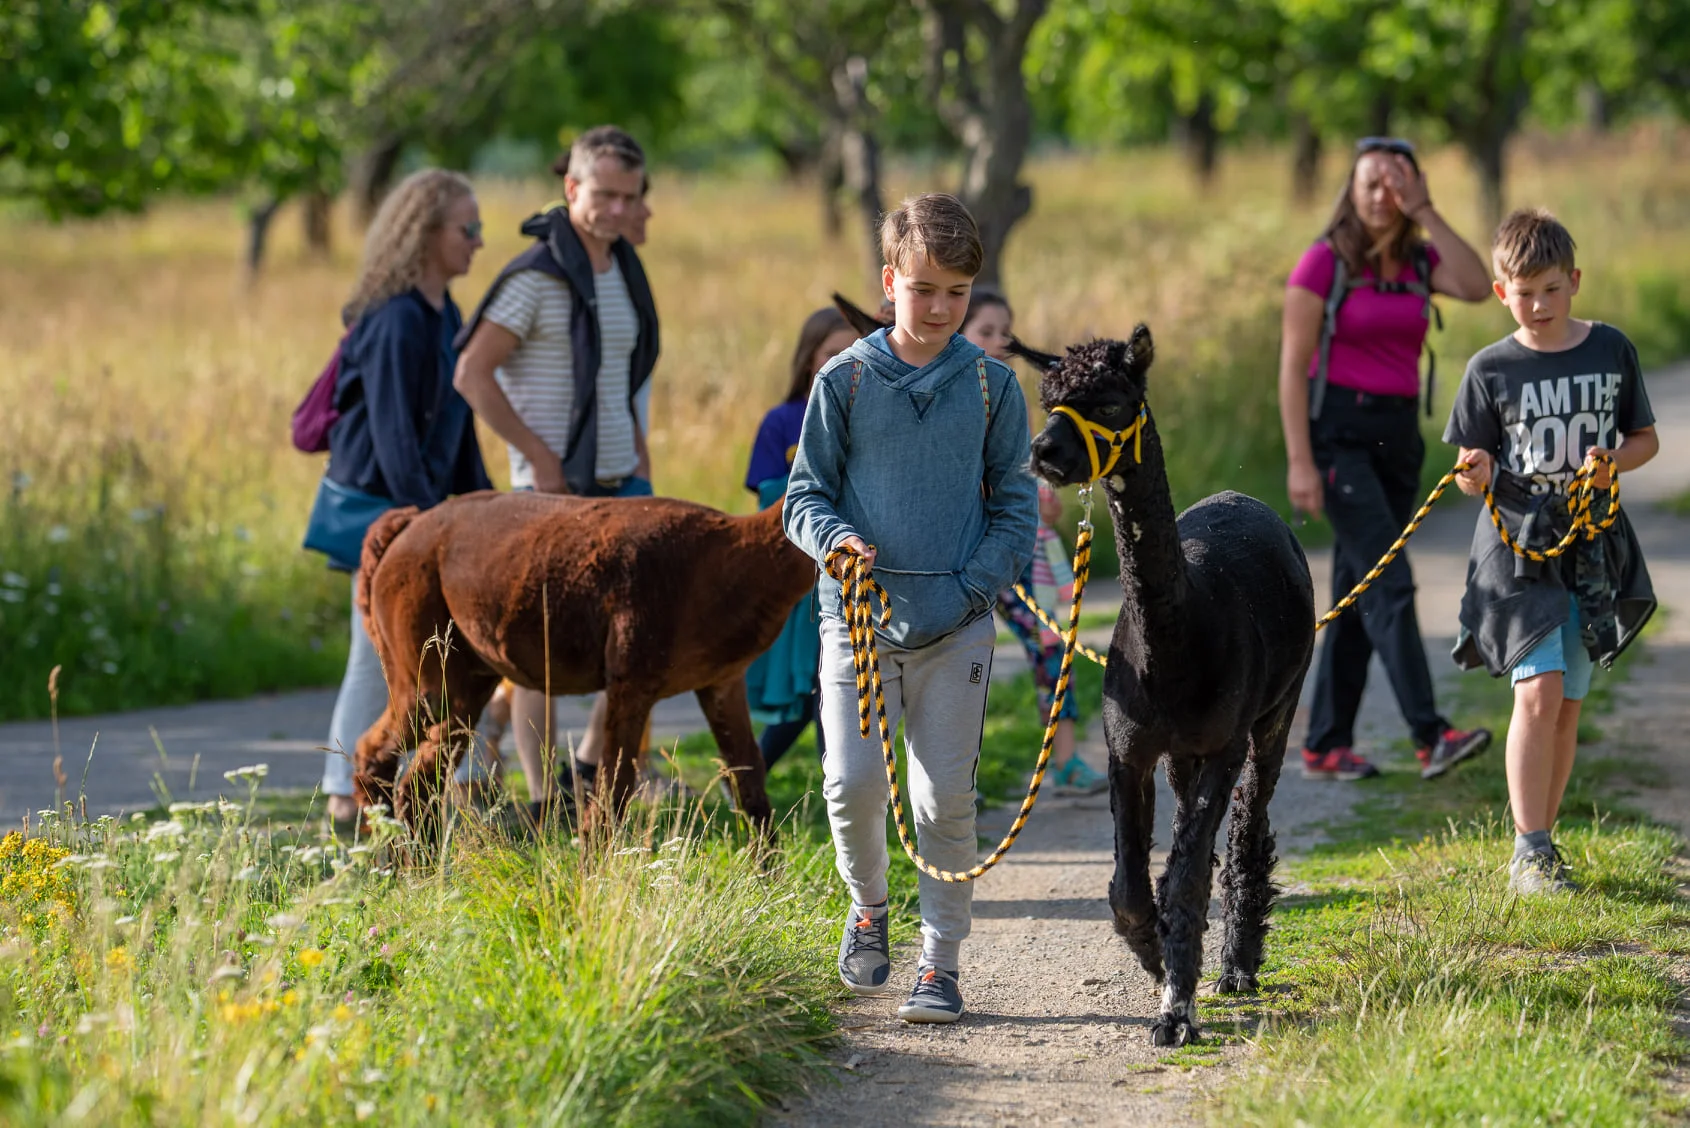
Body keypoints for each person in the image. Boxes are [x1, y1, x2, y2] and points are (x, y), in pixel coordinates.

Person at [785, 193, 1038, 1024]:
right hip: (854, 620)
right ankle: (868, 906)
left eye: (957, 293)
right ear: (888, 281)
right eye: (923, 289)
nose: (939, 309)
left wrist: (974, 587)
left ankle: (941, 961)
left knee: (941, 800)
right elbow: (802, 497)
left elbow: (1014, 507)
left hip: (955, 623)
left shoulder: (994, 388)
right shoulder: (846, 379)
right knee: (850, 783)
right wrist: (836, 542)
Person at [1445, 208, 1658, 894]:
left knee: (1567, 701)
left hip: (1589, 547)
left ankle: (1543, 840)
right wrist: (1474, 473)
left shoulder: (1612, 350)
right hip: (1516, 550)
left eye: (1551, 288)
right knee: (1537, 690)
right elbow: (1470, 461)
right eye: (1523, 291)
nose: (1538, 305)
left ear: (1574, 280)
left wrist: (1613, 464)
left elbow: (1644, 440)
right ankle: (1527, 851)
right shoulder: (1490, 368)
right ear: (1502, 291)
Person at [453, 126, 660, 813]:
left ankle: (586, 768)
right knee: (537, 654)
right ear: (572, 189)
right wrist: (537, 456)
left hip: (620, 482)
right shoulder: (534, 277)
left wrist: (639, 447)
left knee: (643, 642)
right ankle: (546, 801)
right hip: (548, 494)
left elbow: (620, 378)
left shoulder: (624, 272)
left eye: (627, 196)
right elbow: (472, 375)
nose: (616, 208)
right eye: (603, 194)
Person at [1278, 136, 1495, 782]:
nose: (1381, 196)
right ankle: (1431, 736)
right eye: (1370, 182)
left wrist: (1427, 211)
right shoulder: (1323, 263)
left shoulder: (1421, 260)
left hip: (1399, 439)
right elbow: (1291, 368)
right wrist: (1299, 461)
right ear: (1351, 189)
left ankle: (1325, 743)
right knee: (1390, 581)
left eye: (1396, 184)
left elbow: (1480, 286)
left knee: (1357, 587)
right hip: (1337, 434)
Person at [313, 169, 493, 823]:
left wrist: (488, 508)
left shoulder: (444, 313)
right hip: (386, 513)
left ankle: (442, 785)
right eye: (466, 228)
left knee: (424, 652)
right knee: (378, 652)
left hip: (425, 514)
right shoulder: (395, 321)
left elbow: (457, 423)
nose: (478, 241)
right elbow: (393, 438)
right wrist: (434, 526)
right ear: (424, 235)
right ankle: (343, 793)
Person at [958, 291, 1105, 797]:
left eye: (1006, 331)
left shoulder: (1012, 394)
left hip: (1022, 549)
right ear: (959, 333)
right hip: (970, 555)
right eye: (986, 332)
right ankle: (954, 775)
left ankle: (1064, 761)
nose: (1000, 341)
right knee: (958, 659)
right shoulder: (952, 396)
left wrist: (1042, 498)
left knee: (1051, 646)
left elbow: (1022, 468)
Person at [744, 307, 859, 769]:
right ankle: (746, 776)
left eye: (853, 352)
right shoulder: (782, 421)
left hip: (856, 570)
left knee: (837, 688)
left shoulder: (868, 415)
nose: (843, 363)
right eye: (832, 353)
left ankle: (837, 792)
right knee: (809, 686)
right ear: (810, 359)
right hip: (799, 577)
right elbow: (770, 496)